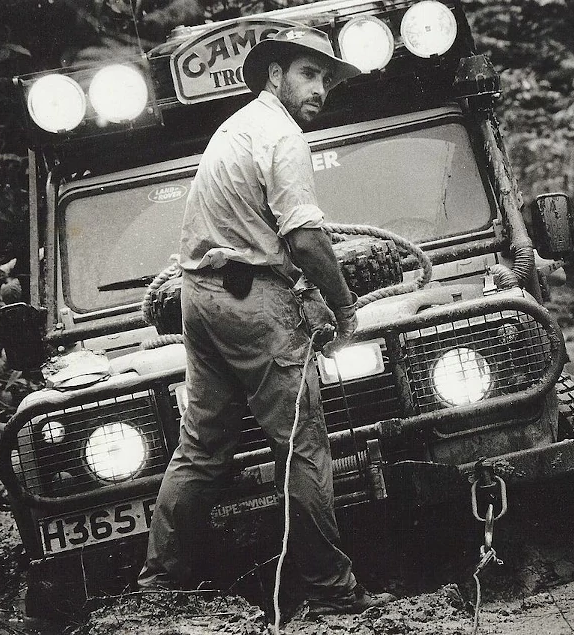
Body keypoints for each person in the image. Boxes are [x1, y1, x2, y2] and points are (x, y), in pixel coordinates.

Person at [137, 25, 394, 615]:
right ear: (275, 75)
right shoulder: (282, 136)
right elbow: (304, 238)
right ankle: (332, 590)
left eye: (327, 79)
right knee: (303, 446)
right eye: (309, 73)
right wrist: (344, 304)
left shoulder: (238, 127)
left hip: (199, 297)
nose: (321, 88)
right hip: (251, 301)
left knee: (201, 449)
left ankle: (159, 587)